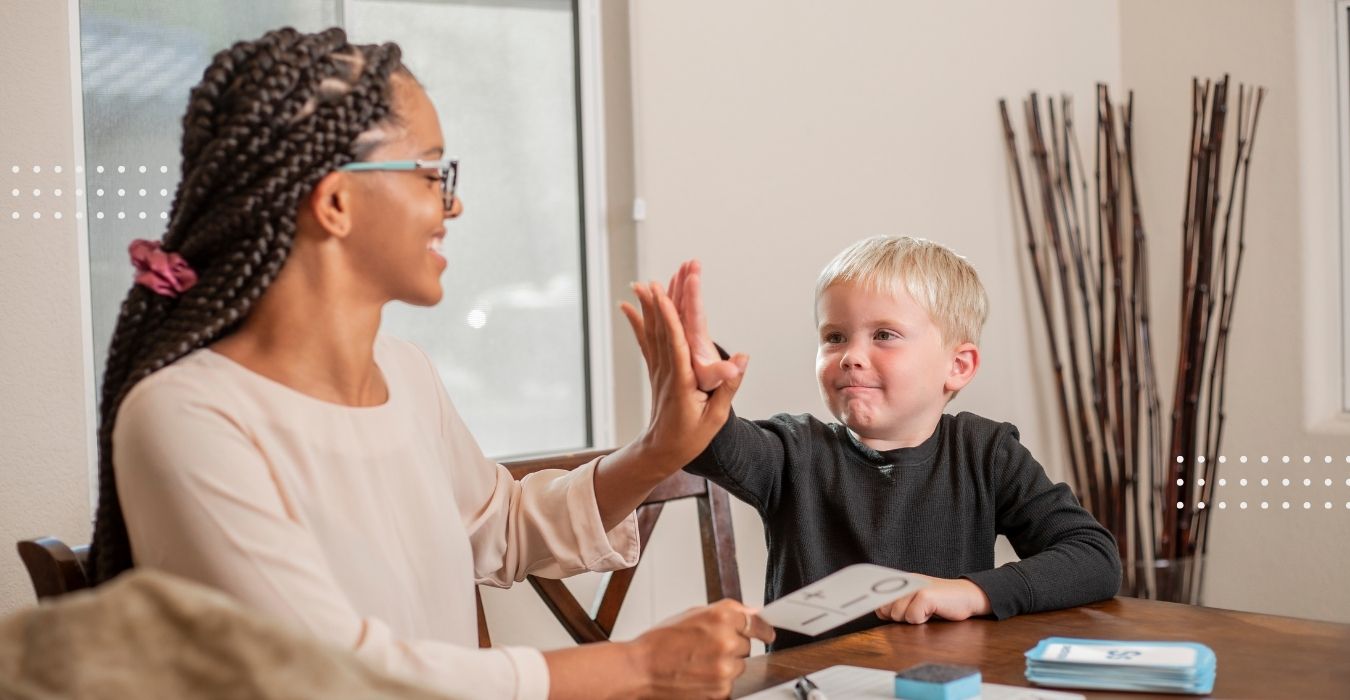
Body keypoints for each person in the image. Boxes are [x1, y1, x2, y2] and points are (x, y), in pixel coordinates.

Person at [87, 26, 772, 699]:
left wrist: (658, 451)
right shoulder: (185, 415)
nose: (454, 202)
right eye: (430, 172)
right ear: (335, 201)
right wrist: (640, 668)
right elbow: (333, 676)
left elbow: (500, 527)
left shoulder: (406, 375)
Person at [667, 236, 1122, 650]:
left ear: (958, 366)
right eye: (834, 337)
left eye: (884, 335)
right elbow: (711, 440)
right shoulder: (792, 450)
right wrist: (701, 384)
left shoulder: (986, 453)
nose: (851, 356)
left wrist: (974, 592)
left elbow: (1093, 557)